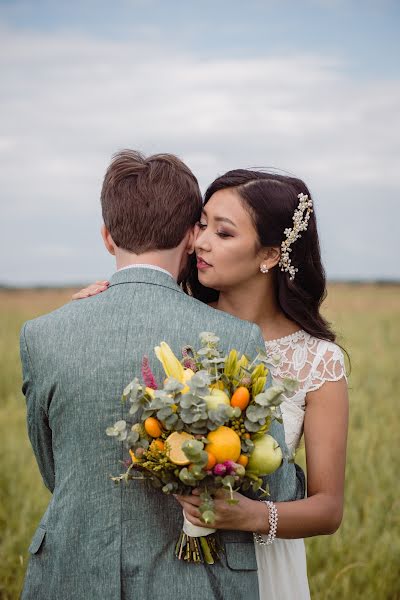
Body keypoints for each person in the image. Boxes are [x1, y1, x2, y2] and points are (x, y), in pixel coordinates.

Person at [20, 151, 304, 600]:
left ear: (107, 236)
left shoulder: (42, 334)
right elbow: (274, 486)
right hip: (196, 583)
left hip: (70, 575)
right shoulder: (236, 338)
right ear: (192, 236)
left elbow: (55, 471)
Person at [77, 168, 349, 600]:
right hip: (162, 561)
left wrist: (253, 516)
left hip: (265, 564)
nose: (200, 241)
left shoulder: (318, 362)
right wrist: (103, 309)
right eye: (201, 224)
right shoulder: (170, 328)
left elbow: (328, 509)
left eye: (223, 233)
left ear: (270, 255)